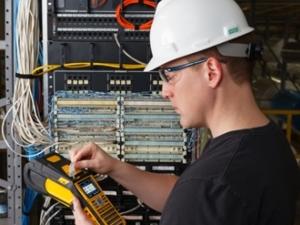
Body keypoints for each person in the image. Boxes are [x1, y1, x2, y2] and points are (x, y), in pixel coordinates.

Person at [71, 0, 300, 224]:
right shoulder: (270, 142)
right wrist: (115, 167)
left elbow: (194, 198)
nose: (165, 91)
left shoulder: (210, 184)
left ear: (211, 71)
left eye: (170, 76)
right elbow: (182, 195)